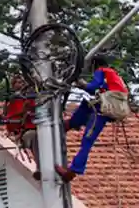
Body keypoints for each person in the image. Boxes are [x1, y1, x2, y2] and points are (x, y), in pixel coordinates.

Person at [54, 54, 130, 183]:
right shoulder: (114, 75)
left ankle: (72, 171)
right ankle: (70, 124)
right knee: (86, 104)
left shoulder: (102, 71)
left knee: (87, 142)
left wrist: (79, 83)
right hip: (105, 109)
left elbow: (92, 87)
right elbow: (97, 91)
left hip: (101, 111)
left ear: (95, 65)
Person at [3, 75, 40, 178]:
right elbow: (11, 120)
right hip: (25, 132)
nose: (21, 84)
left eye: (22, 82)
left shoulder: (31, 98)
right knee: (33, 136)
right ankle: (39, 167)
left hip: (38, 128)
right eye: (18, 82)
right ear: (13, 85)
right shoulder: (14, 100)